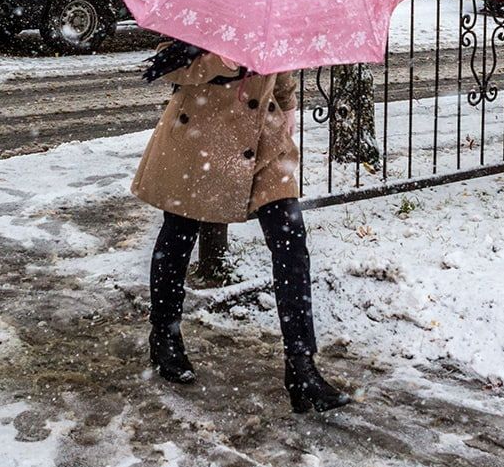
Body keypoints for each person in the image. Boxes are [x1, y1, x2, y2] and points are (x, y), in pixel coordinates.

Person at [131, 40, 351, 414]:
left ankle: (301, 367)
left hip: (263, 141)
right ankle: (165, 335)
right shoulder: (205, 2)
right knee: (179, 234)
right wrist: (220, 59)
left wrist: (288, 105)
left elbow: (281, 65)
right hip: (198, 137)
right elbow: (168, 67)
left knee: (291, 242)